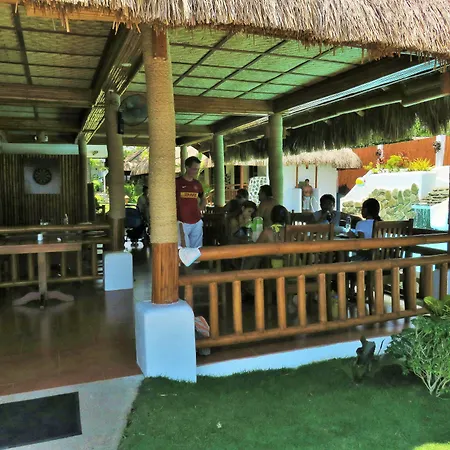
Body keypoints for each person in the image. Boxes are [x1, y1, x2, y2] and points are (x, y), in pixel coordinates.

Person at [176, 156, 206, 248]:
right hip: (182, 222)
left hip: (196, 221)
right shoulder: (177, 182)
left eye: (198, 169)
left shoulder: (197, 184)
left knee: (197, 249)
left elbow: (203, 197)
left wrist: (201, 208)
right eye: (194, 169)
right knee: (184, 249)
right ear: (187, 167)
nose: (196, 172)